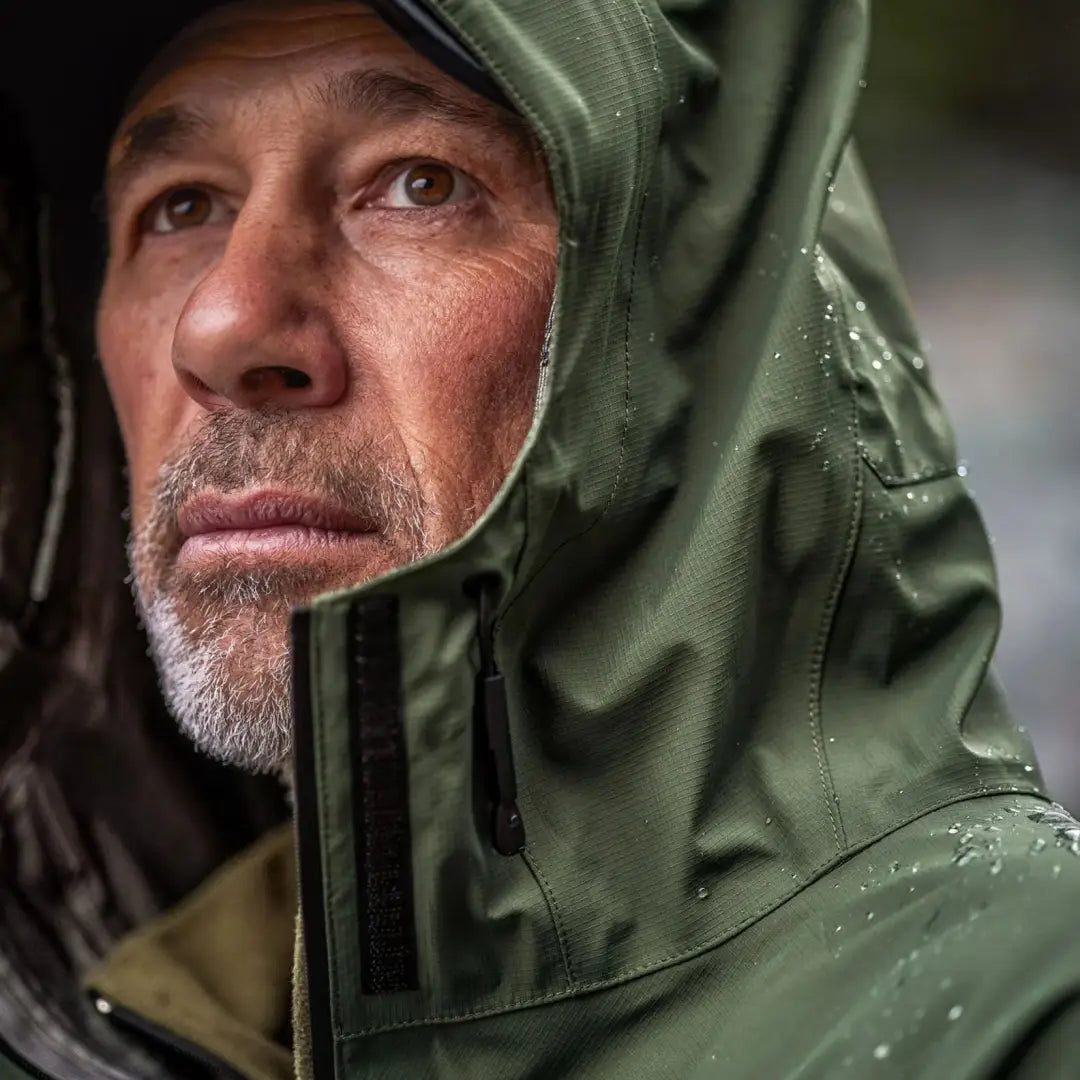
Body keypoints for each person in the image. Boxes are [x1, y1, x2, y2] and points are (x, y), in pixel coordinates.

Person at [1, 1, 1078, 1078]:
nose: (224, 327)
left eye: (421, 184)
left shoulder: (1019, 1027)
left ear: (695, 322)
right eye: (182, 205)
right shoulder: (82, 1021)